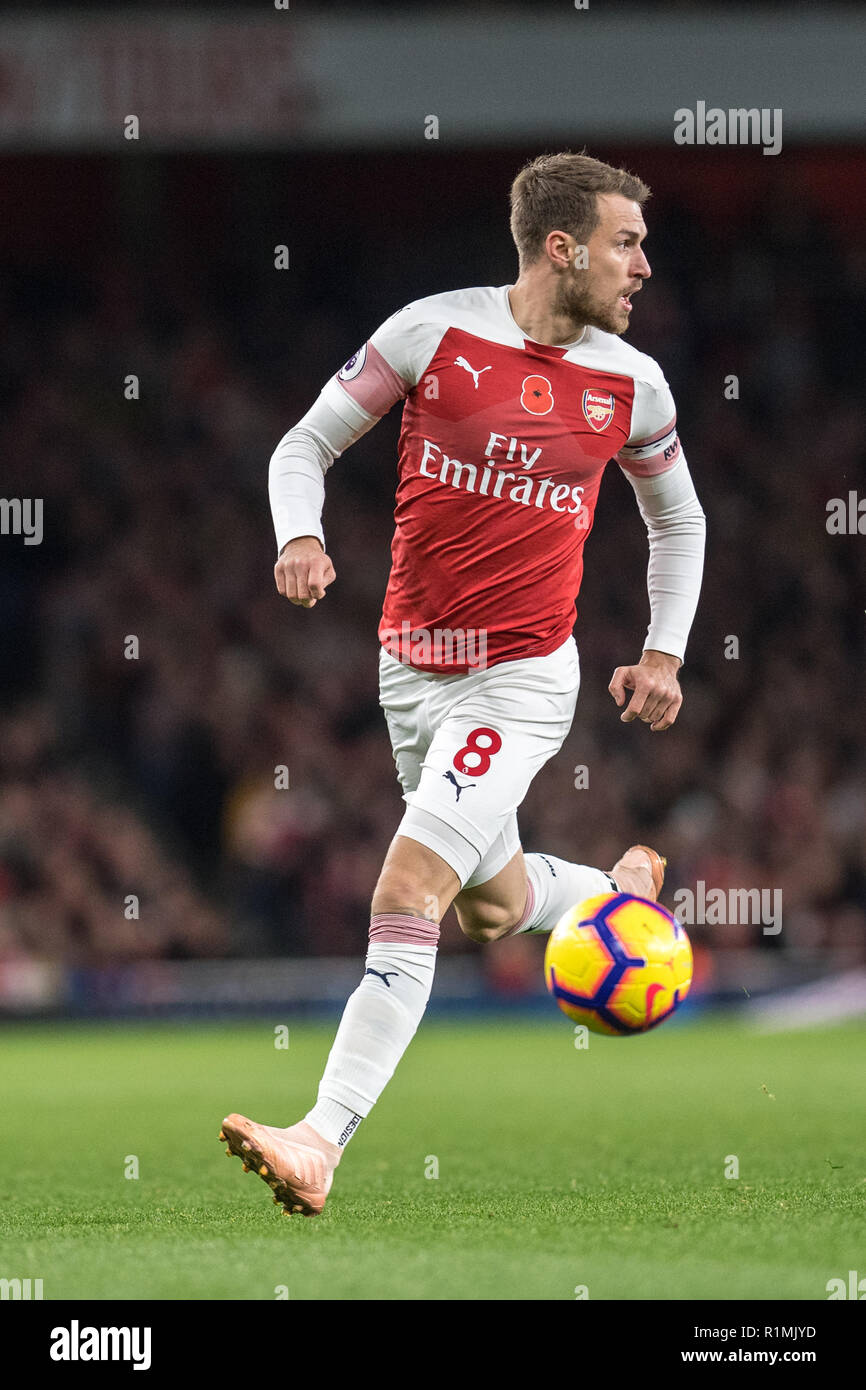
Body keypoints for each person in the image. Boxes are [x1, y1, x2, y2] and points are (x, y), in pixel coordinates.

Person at [220, 151, 706, 1216]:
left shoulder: (631, 385)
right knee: (490, 909)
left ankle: (319, 1137)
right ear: (559, 247)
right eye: (625, 244)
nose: (642, 268)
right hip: (408, 671)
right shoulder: (431, 332)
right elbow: (303, 444)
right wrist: (297, 536)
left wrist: (664, 651)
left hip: (520, 678)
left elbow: (676, 517)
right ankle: (608, 897)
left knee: (408, 893)